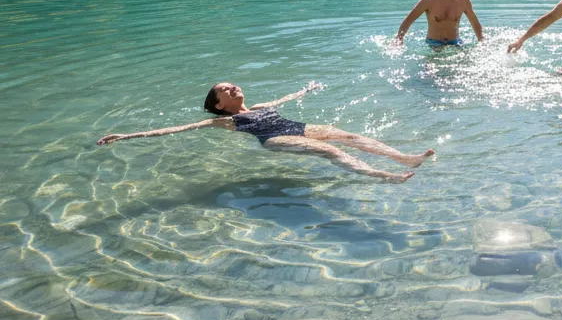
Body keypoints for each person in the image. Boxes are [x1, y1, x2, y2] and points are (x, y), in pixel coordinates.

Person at [96, 80, 434, 182]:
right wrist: (127, 136)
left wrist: (305, 91)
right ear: (218, 105)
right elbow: (177, 128)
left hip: (293, 125)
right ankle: (382, 175)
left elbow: (285, 97)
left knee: (347, 136)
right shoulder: (224, 121)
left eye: (231, 85)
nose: (232, 88)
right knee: (331, 151)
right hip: (273, 138)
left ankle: (403, 157)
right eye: (224, 90)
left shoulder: (257, 107)